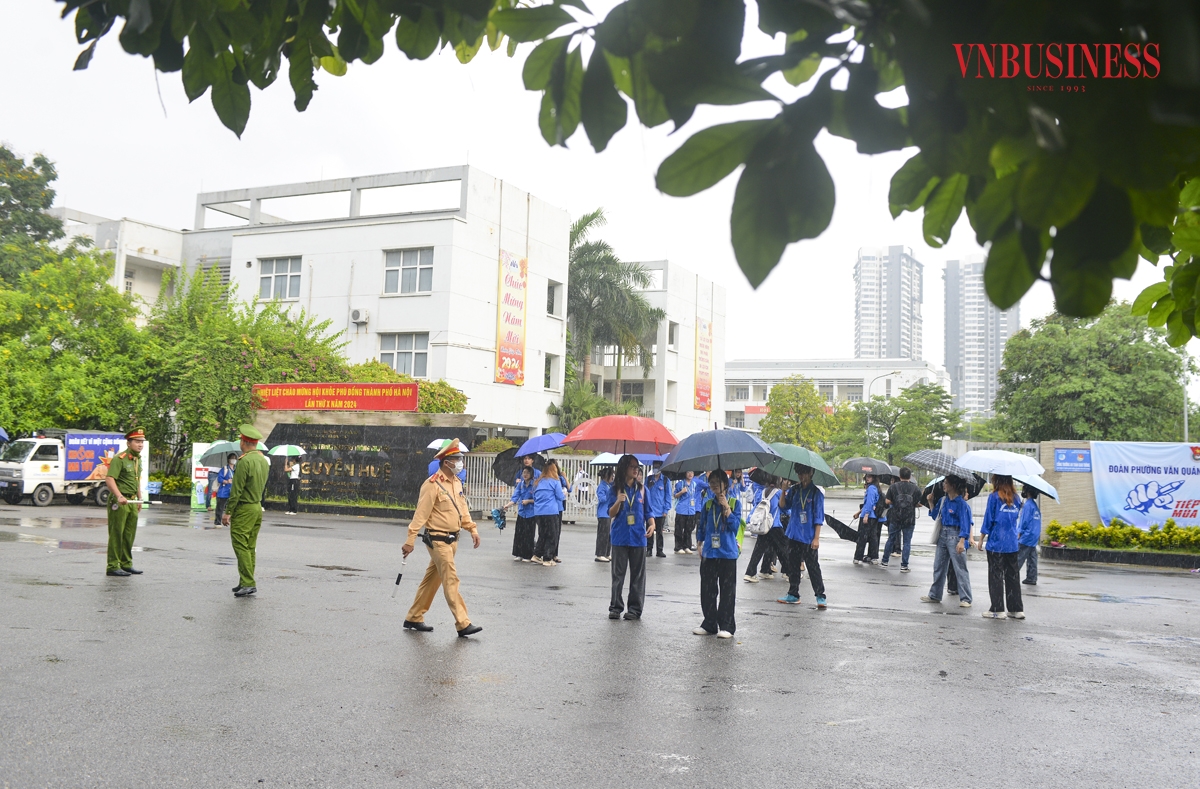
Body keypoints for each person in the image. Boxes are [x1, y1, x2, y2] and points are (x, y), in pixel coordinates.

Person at [401, 441, 482, 637]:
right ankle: (463, 623)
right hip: (438, 540)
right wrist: (410, 539)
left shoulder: (456, 482)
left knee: (432, 580)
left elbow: (462, 509)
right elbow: (420, 514)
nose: (461, 463)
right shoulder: (432, 484)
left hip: (453, 540)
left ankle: (414, 617)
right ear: (447, 462)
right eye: (458, 459)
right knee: (451, 579)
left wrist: (472, 529)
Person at [220, 425, 270, 597]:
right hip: (256, 507)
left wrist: (228, 512)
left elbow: (236, 491)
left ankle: (248, 582)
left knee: (240, 545)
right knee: (250, 546)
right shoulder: (263, 460)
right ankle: (245, 580)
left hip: (244, 508)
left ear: (243, 442)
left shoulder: (245, 461)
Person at [693, 470, 742, 638]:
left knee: (727, 590)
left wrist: (727, 508)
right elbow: (702, 525)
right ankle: (709, 623)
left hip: (727, 552)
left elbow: (735, 527)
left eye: (717, 482)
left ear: (725, 484)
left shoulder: (735, 503)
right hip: (710, 553)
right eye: (711, 482)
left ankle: (727, 625)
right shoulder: (708, 504)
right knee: (707, 589)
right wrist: (699, 543)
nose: (713, 485)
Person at [607, 454, 655, 620]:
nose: (636, 470)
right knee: (617, 575)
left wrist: (652, 524)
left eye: (637, 467)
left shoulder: (642, 489)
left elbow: (649, 511)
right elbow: (610, 513)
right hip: (620, 537)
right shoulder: (614, 489)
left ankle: (634, 609)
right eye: (632, 467)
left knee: (638, 576)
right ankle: (615, 607)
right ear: (623, 468)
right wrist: (618, 501)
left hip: (638, 537)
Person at [777, 464, 827, 609]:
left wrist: (816, 538)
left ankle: (820, 595)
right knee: (793, 565)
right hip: (793, 534)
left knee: (813, 567)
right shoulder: (794, 490)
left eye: (804, 473)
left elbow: (819, 517)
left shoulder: (816, 493)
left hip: (809, 536)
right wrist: (783, 491)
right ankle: (793, 594)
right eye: (799, 473)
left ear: (811, 472)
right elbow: (783, 507)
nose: (801, 476)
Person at [921, 475, 974, 608]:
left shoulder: (961, 504)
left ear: (953, 486)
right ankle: (935, 595)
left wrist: (962, 541)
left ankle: (966, 598)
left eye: (946, 483)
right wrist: (931, 502)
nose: (943, 485)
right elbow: (935, 516)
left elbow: (965, 523)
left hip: (955, 535)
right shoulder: (943, 500)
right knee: (938, 565)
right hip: (943, 535)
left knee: (960, 568)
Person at [976, 475, 1024, 620]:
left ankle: (997, 609)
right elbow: (1016, 518)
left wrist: (981, 539)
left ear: (997, 481)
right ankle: (1016, 609)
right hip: (1012, 543)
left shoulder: (994, 497)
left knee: (996, 576)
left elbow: (988, 519)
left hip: (997, 543)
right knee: (1012, 576)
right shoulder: (1016, 498)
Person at [104, 428, 146, 577]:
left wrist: (139, 498)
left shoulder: (137, 459)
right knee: (117, 533)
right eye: (137, 441)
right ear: (129, 443)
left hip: (132, 500)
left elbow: (136, 480)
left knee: (129, 534)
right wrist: (119, 495)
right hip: (120, 500)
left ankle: (126, 564)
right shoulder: (119, 458)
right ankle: (113, 565)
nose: (140, 444)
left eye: (142, 442)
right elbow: (109, 479)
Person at [743, 476, 786, 582]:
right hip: (774, 524)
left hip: (764, 525)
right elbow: (784, 507)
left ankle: (752, 572)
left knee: (760, 549)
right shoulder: (778, 493)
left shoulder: (763, 492)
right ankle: (790, 573)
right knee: (784, 548)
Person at [882, 467, 920, 572]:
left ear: (900, 476)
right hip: (909, 518)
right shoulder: (915, 488)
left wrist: (896, 502)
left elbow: (887, 501)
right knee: (907, 542)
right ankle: (904, 565)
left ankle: (885, 561)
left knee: (891, 539)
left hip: (895, 517)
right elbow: (920, 503)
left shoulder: (893, 487)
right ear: (910, 477)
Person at [533, 460, 566, 566]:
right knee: (552, 534)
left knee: (542, 534)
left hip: (538, 511)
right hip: (550, 511)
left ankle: (537, 555)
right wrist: (564, 493)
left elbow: (534, 496)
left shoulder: (538, 481)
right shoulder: (555, 481)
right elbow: (560, 497)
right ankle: (548, 558)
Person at [508, 466, 537, 561]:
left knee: (529, 534)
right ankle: (519, 553)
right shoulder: (520, 484)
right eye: (524, 472)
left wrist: (528, 501)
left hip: (531, 513)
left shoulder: (535, 485)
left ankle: (528, 555)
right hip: (521, 512)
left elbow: (538, 499)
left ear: (531, 474)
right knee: (519, 533)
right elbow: (515, 497)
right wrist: (507, 505)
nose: (525, 474)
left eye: (527, 473)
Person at [852, 474, 882, 565]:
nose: (867, 478)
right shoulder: (876, 488)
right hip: (873, 516)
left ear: (874, 478)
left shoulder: (871, 488)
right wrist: (859, 512)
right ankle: (874, 557)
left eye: (870, 477)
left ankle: (858, 557)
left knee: (862, 537)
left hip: (868, 516)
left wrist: (866, 515)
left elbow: (869, 502)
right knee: (873, 537)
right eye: (866, 477)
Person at [644, 460, 671, 558]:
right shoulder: (648, 479)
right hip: (650, 510)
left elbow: (668, 496)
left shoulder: (665, 480)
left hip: (660, 511)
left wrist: (666, 509)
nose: (656, 468)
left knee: (659, 531)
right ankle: (649, 549)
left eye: (658, 467)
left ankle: (660, 550)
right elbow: (644, 493)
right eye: (654, 466)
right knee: (649, 530)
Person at [1017, 485, 1042, 585]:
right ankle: (1032, 577)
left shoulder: (1028, 505)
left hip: (1026, 536)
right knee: (1032, 557)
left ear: (1027, 491)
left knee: (1019, 556)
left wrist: (1019, 532)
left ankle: (1011, 575)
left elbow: (1024, 521)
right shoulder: (1034, 506)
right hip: (1034, 535)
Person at [594, 467, 616, 562]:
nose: (613, 477)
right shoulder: (602, 486)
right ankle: (600, 553)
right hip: (603, 513)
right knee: (603, 534)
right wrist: (609, 495)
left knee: (609, 534)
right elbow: (602, 498)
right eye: (612, 475)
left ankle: (607, 552)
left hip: (608, 513)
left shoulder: (609, 485)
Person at [673, 472, 697, 553]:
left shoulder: (694, 484)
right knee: (679, 529)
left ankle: (687, 546)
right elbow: (675, 495)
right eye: (688, 472)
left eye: (692, 472)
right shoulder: (680, 484)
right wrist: (681, 492)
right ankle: (678, 547)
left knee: (688, 530)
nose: (690, 474)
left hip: (691, 510)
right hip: (681, 509)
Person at [213, 454, 235, 526]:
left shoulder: (235, 469)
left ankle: (229, 521)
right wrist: (226, 481)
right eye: (232, 458)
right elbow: (219, 478)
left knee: (231, 507)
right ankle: (217, 522)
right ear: (228, 459)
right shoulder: (225, 469)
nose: (234, 460)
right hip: (223, 491)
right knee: (220, 508)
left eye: (235, 458)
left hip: (231, 491)